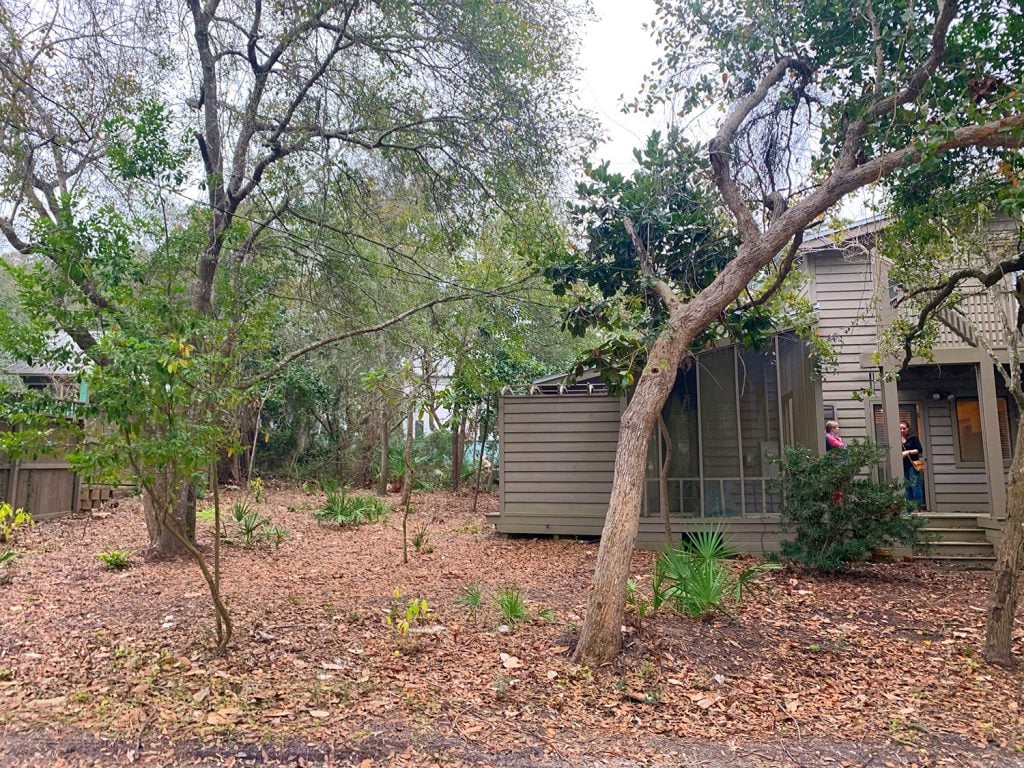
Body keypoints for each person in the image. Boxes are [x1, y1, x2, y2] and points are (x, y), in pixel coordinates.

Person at [900, 420, 926, 511]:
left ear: (908, 429)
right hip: (903, 466)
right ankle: (910, 508)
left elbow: (919, 450)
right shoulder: (897, 439)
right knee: (907, 487)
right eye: (900, 428)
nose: (902, 430)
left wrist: (908, 452)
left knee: (915, 485)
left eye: (904, 428)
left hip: (912, 465)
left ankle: (918, 507)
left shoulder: (913, 438)